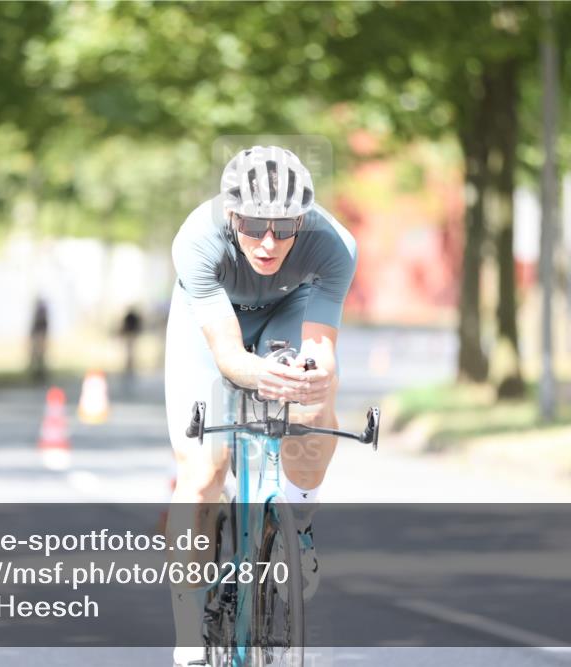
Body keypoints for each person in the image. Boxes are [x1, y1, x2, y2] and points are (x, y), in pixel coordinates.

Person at [164, 145, 357, 666]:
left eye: (284, 226)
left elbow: (321, 349)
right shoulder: (197, 240)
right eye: (252, 224)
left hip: (290, 307)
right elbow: (227, 354)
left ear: (303, 219)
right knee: (203, 469)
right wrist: (255, 371)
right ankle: (188, 637)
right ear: (231, 213)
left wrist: (311, 380)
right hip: (209, 324)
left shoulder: (333, 244)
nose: (268, 242)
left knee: (314, 406)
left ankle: (299, 523)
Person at [29, 296, 49, 382]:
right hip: (38, 338)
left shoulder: (40, 316)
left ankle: (39, 376)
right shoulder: (41, 315)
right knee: (37, 358)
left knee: (39, 358)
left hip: (40, 337)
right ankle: (37, 376)